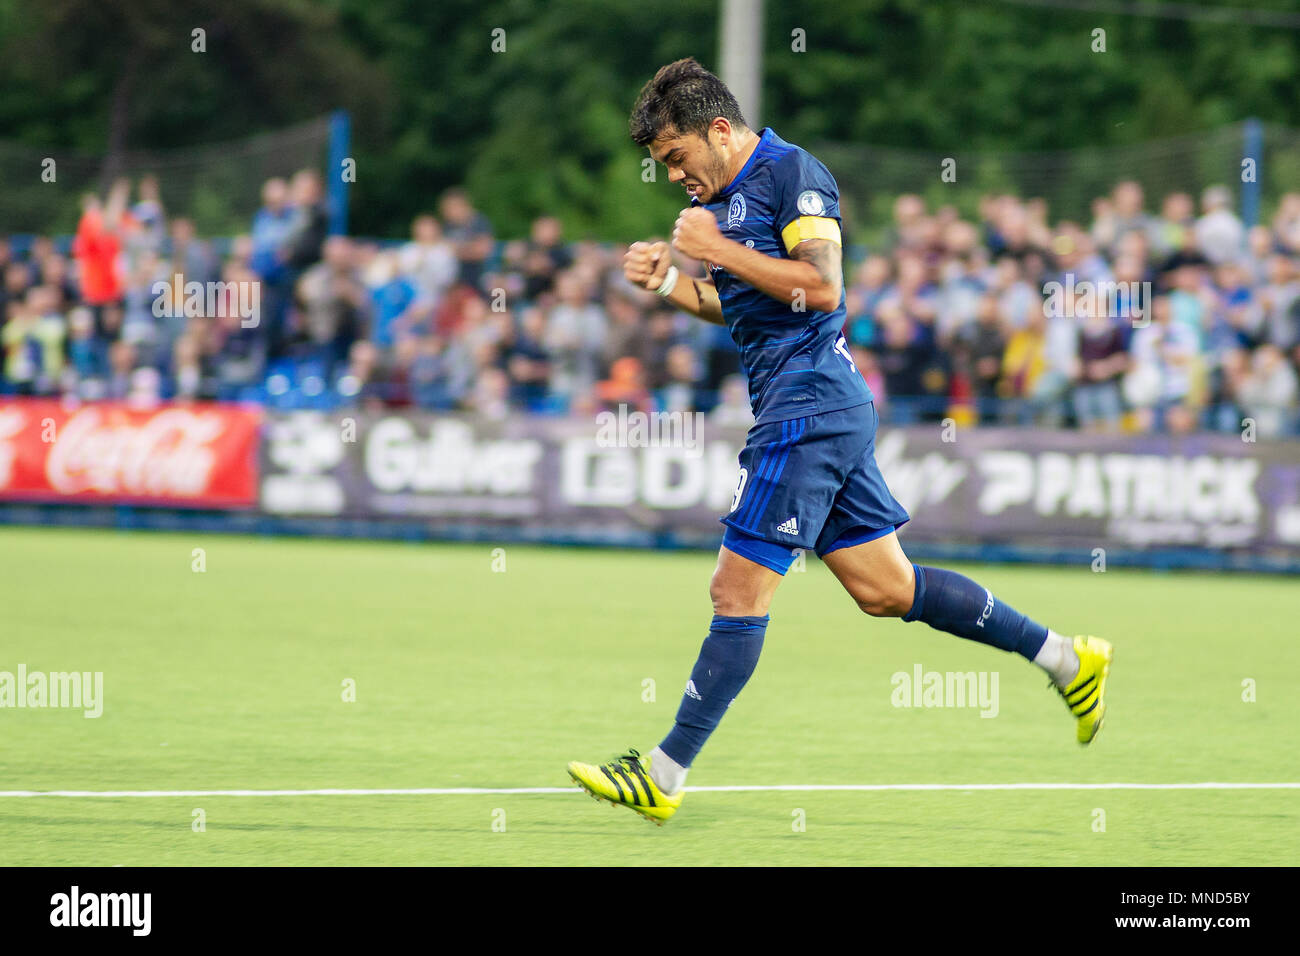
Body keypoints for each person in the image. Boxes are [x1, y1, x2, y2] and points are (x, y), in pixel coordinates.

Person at [567, 58, 1113, 825]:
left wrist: (713, 248)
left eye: (676, 159)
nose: (675, 178)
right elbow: (742, 309)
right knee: (887, 590)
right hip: (819, 407)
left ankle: (662, 773)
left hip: (808, 410)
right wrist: (669, 283)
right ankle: (1065, 658)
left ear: (719, 131)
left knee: (736, 590)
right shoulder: (723, 201)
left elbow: (823, 287)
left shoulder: (793, 173)